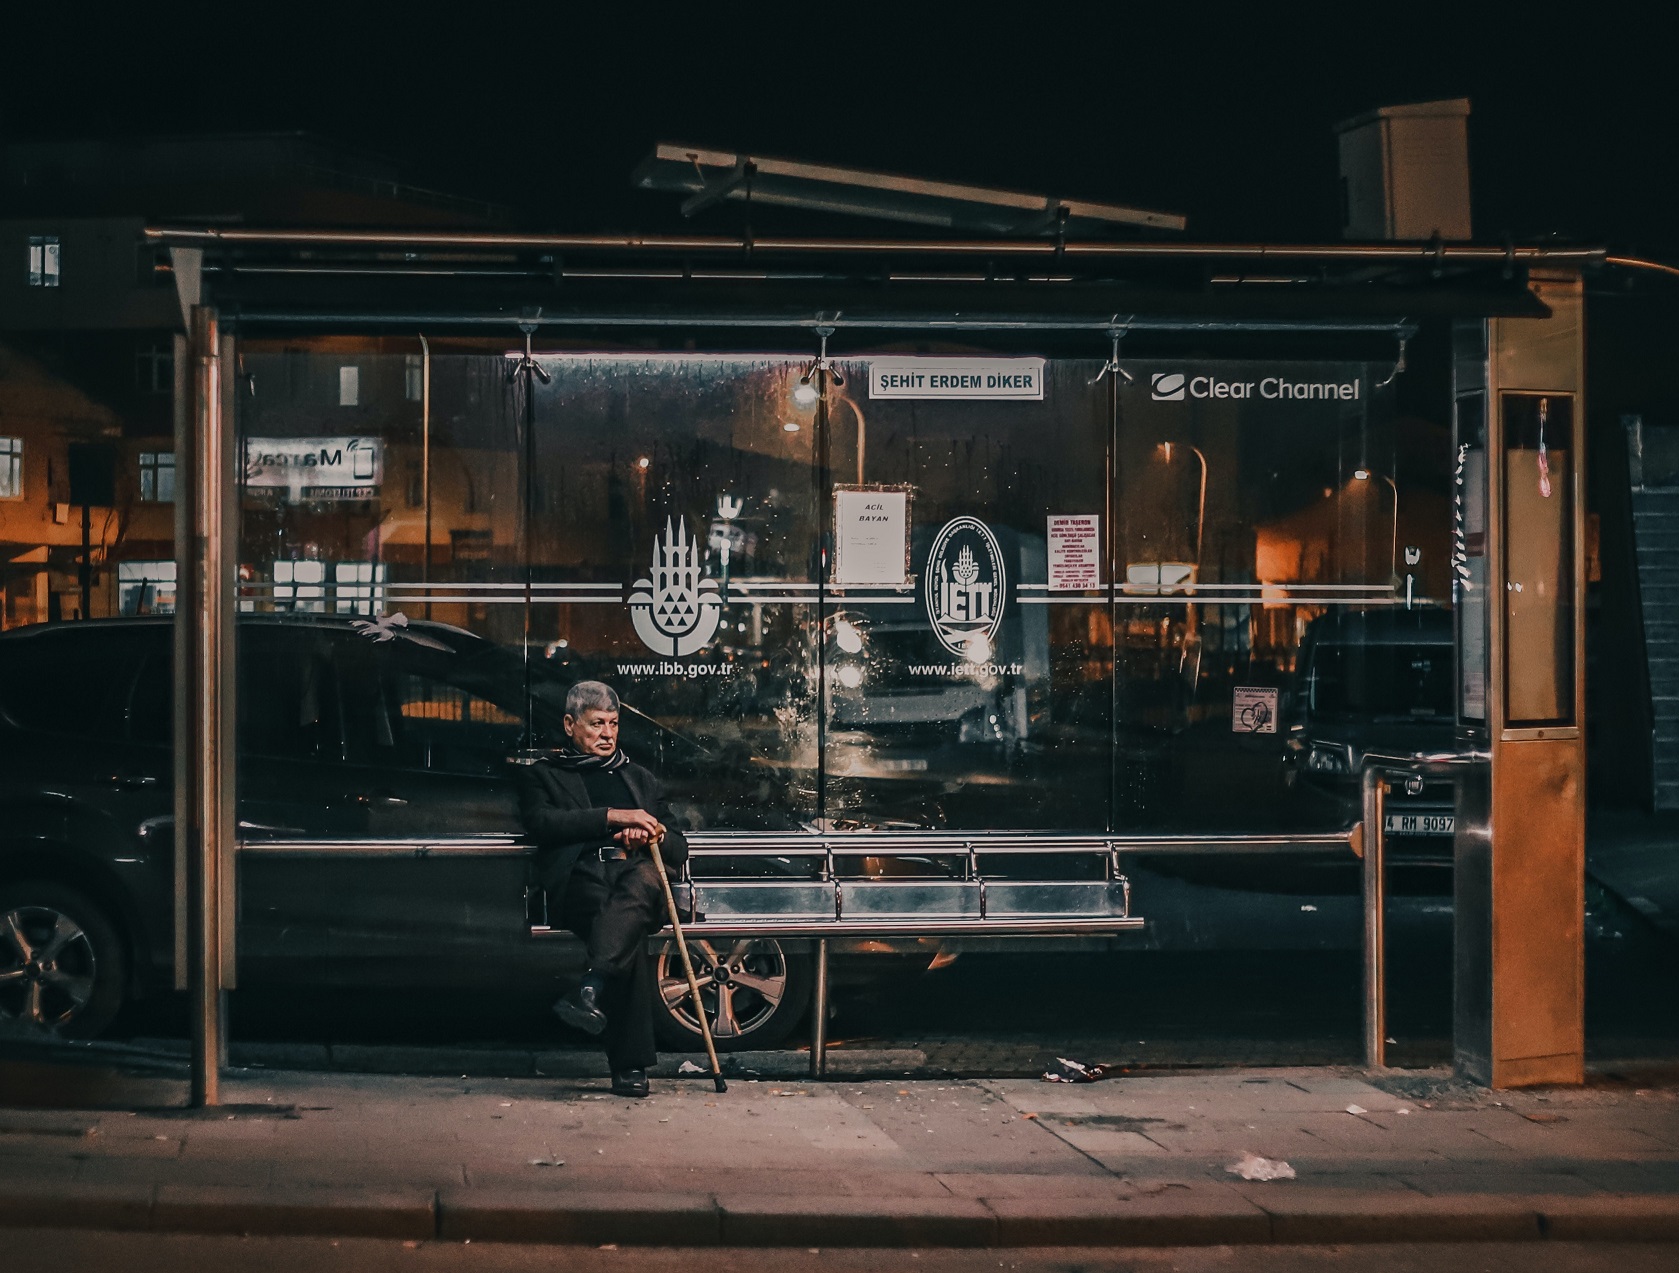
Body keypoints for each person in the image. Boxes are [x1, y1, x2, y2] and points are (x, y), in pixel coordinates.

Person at [517, 680, 689, 1098]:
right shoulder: (545, 775)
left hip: (637, 877)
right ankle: (629, 1066)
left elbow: (678, 848)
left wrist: (650, 832)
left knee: (636, 888)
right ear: (570, 725)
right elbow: (543, 824)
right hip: (582, 878)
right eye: (596, 724)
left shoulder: (639, 777)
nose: (607, 734)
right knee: (617, 924)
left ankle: (590, 987)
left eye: (613, 723)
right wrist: (613, 816)